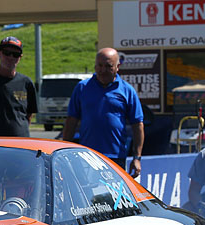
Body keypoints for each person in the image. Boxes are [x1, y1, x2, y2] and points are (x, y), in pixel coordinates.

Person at [62, 47, 144, 177]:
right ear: (95, 66)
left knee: (113, 190)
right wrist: (64, 153)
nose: (103, 70)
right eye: (100, 66)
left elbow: (138, 125)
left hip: (116, 157)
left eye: (108, 66)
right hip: (87, 155)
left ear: (117, 67)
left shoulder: (127, 90)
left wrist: (137, 158)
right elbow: (71, 121)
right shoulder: (82, 88)